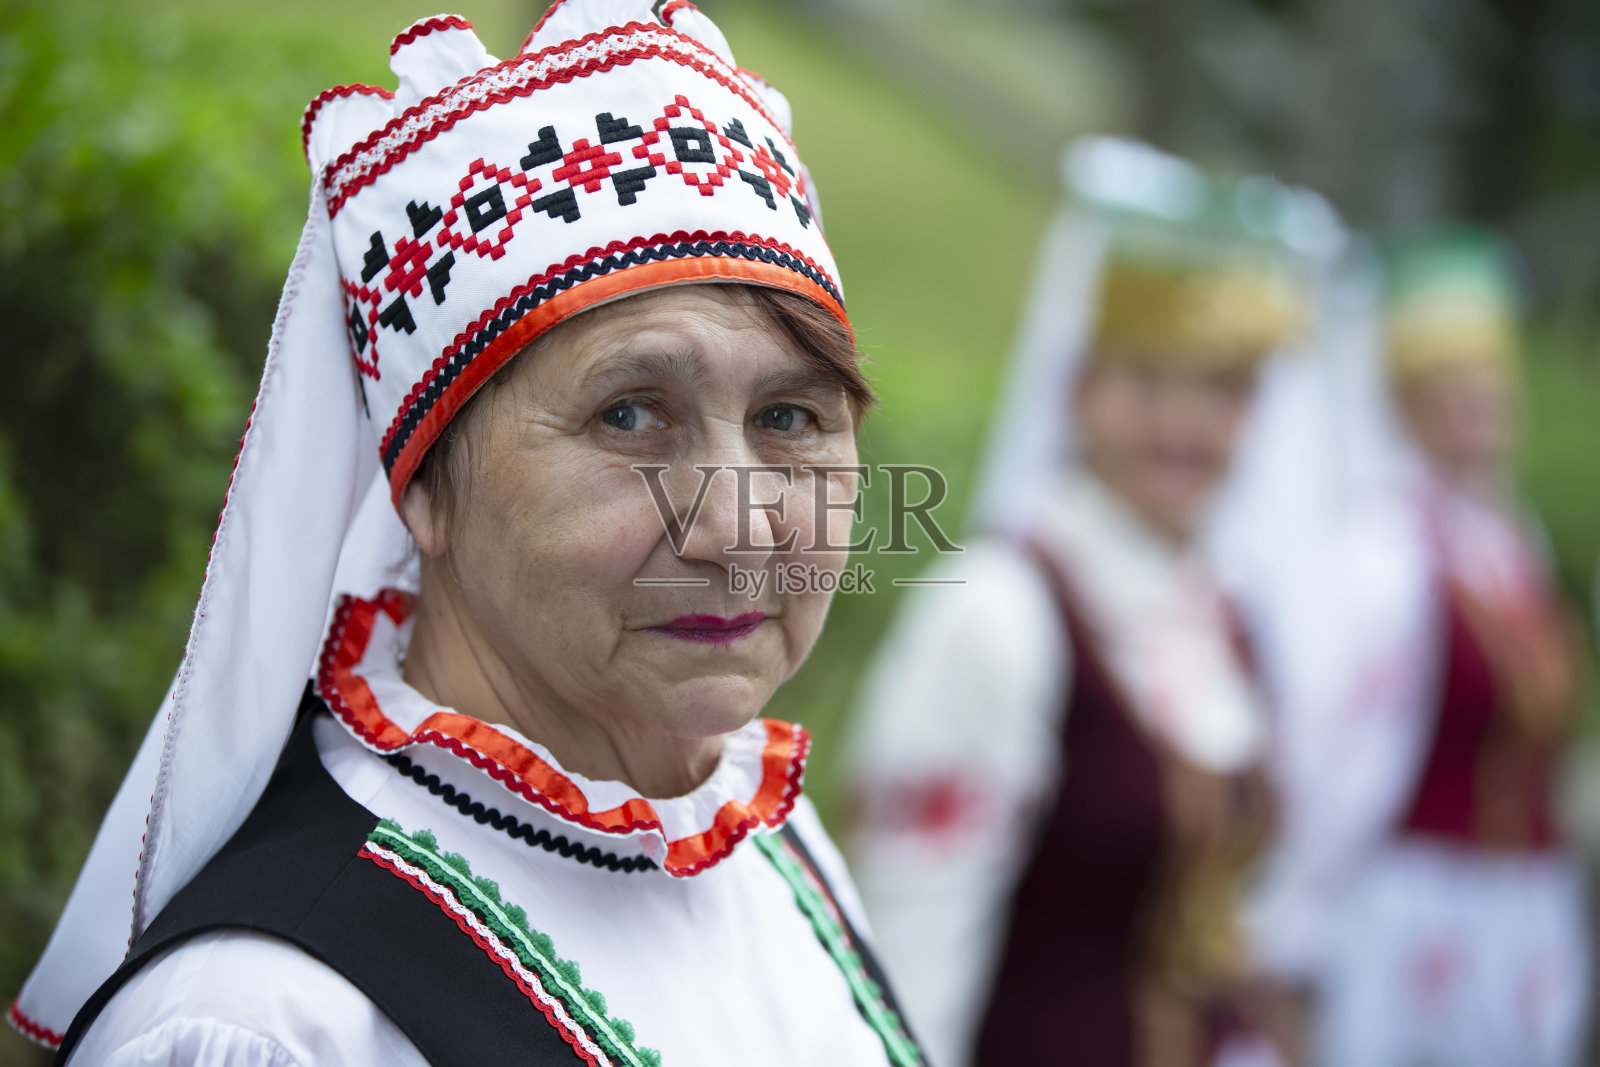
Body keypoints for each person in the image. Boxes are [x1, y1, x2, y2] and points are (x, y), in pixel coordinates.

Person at [7, 4, 926, 1065]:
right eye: (627, 414)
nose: (735, 527)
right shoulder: (272, 1023)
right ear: (424, 486)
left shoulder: (772, 841)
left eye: (788, 418)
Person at [842, 138, 1326, 1067]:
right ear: (1079, 388)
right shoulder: (1002, 611)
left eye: (1223, 391)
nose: (1185, 425)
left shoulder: (1221, 615)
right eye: (1147, 380)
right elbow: (917, 945)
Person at [1307, 226, 1590, 1067]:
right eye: (1451, 390)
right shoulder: (1383, 553)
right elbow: (1346, 746)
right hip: (1416, 900)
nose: (1479, 407)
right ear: (1406, 405)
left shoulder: (1510, 540)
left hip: (1523, 899)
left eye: (1488, 385)